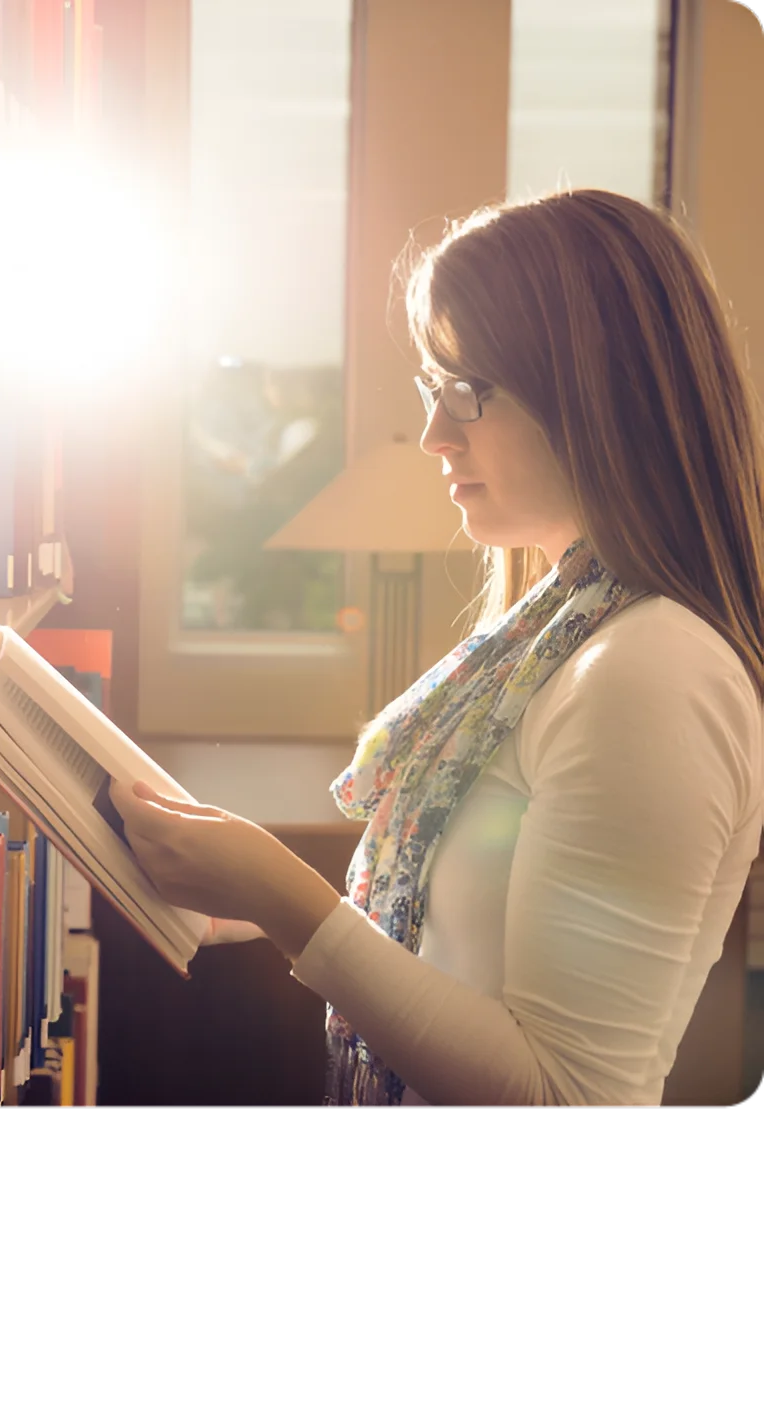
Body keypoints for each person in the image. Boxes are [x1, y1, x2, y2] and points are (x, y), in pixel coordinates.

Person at [105, 188, 764, 1108]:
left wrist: (291, 903)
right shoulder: (564, 621)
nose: (432, 434)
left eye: (468, 392)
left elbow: (567, 1094)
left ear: (595, 393)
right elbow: (471, 940)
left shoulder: (652, 672)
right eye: (433, 389)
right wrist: (247, 906)